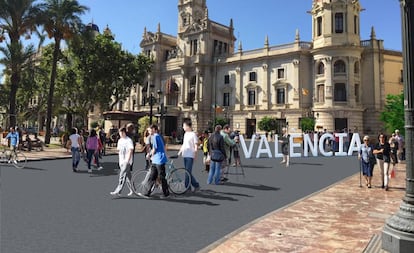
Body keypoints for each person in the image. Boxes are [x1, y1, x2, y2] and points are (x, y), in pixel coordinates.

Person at [139, 124, 170, 199]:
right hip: (156, 159)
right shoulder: (155, 136)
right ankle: (147, 193)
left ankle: (166, 193)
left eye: (150, 130)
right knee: (152, 176)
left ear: (154, 129)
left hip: (159, 159)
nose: (149, 131)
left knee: (161, 177)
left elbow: (155, 148)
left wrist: (149, 155)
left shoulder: (156, 136)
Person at [110, 127, 135, 197]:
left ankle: (118, 191)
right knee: (128, 177)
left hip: (126, 161)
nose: (119, 134)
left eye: (120, 133)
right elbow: (119, 150)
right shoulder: (120, 140)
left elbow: (131, 150)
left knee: (122, 175)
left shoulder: (128, 140)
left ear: (124, 132)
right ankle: (133, 190)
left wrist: (127, 160)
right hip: (121, 160)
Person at [178, 119, 200, 192]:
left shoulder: (193, 134)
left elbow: (196, 146)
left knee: (187, 171)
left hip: (190, 155)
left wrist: (195, 156)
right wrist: (180, 151)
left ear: (188, 126)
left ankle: (187, 186)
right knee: (187, 172)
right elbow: (184, 144)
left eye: (184, 126)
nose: (183, 127)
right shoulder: (185, 134)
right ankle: (195, 185)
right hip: (185, 154)